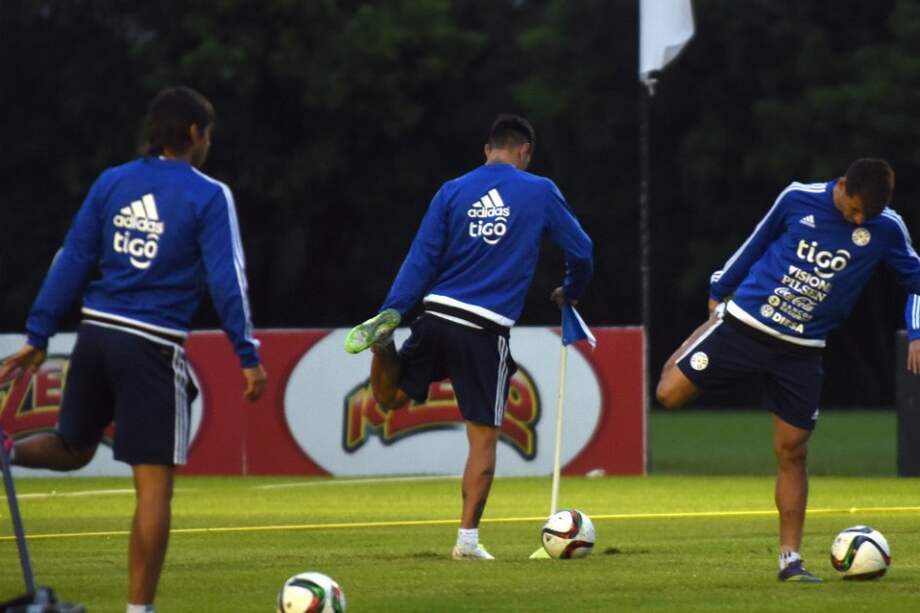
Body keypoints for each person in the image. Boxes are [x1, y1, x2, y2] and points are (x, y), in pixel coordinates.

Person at [0, 86, 267, 613]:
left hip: (96, 334)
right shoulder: (209, 194)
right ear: (195, 133)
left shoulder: (112, 182)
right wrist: (247, 353)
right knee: (154, 488)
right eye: (208, 134)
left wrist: (38, 334)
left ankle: (6, 452)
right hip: (151, 344)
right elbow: (227, 279)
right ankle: (139, 611)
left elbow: (72, 257)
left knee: (74, 447)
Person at [655, 158, 920, 582]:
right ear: (842, 186)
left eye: (866, 216)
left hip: (801, 350)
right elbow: (756, 242)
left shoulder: (887, 227)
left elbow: (916, 280)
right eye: (854, 210)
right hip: (746, 324)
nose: (859, 221)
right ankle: (708, 329)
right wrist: (719, 289)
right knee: (668, 394)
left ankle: (790, 562)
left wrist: (917, 330)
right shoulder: (798, 198)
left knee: (793, 451)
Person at [343, 114, 593, 560]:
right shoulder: (539, 190)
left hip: (435, 313)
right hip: (483, 329)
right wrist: (572, 289)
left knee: (391, 398)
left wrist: (393, 309)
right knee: (482, 438)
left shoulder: (452, 190)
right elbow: (582, 249)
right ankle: (467, 543)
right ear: (525, 153)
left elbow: (421, 257)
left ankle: (383, 343)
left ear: (487, 150)